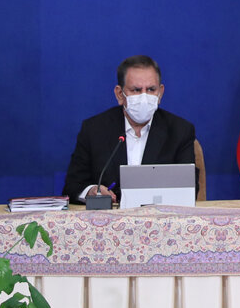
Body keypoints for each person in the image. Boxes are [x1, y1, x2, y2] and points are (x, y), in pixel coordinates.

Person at [62, 55, 197, 203]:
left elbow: (190, 188)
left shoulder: (180, 131)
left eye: (151, 89)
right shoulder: (94, 129)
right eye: (136, 90)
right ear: (120, 94)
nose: (144, 97)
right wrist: (91, 191)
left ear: (160, 93)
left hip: (160, 214)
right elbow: (72, 186)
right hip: (109, 216)